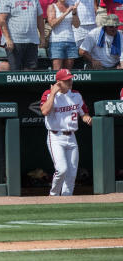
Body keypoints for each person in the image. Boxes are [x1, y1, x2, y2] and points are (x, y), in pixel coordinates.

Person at [40, 68, 92, 196]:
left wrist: (86, 118)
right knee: (62, 169)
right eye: (66, 80)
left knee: (72, 173)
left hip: (71, 137)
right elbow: (45, 111)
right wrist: (53, 93)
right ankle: (53, 196)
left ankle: (66, 200)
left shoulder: (76, 95)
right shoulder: (48, 94)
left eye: (70, 79)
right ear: (58, 82)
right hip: (56, 136)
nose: (70, 82)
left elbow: (84, 113)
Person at [0, 0, 44, 70]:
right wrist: (8, 39)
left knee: (31, 72)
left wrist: (42, 37)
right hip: (14, 41)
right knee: (15, 72)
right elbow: (1, 20)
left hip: (32, 40)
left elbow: (39, 18)